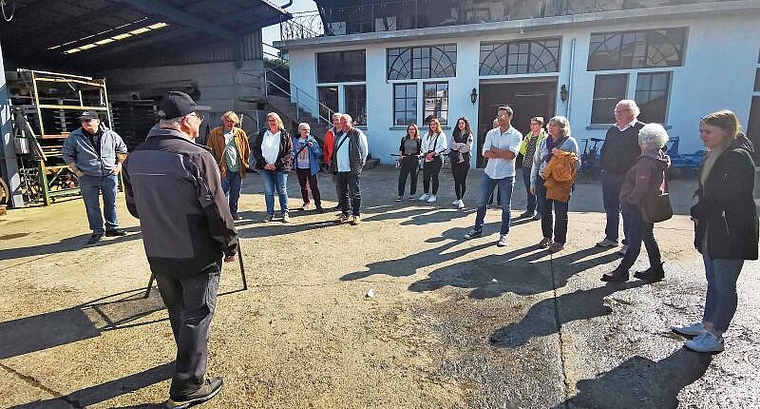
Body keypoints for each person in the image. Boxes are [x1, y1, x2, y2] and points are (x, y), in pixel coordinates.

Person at [123, 91, 237, 408]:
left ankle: (186, 360)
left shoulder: (134, 157)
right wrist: (229, 244)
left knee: (178, 312)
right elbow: (217, 210)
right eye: (197, 116)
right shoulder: (197, 157)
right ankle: (187, 387)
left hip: (158, 251)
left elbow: (134, 208)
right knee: (197, 315)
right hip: (196, 253)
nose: (200, 121)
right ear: (186, 121)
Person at [672, 110, 758, 353]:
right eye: (701, 131)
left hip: (731, 231)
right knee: (713, 281)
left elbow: (729, 196)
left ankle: (716, 335)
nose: (702, 136)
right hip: (713, 228)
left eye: (708, 132)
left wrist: (701, 207)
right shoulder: (715, 154)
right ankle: (707, 324)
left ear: (725, 131)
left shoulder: (738, 158)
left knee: (724, 284)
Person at [601, 123, 670, 282]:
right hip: (650, 205)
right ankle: (656, 268)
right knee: (648, 236)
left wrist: (629, 200)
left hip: (640, 206)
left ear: (644, 141)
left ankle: (622, 271)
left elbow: (641, 186)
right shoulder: (659, 157)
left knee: (634, 240)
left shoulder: (645, 162)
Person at [62, 111, 128, 244]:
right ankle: (97, 230)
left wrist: (119, 166)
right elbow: (67, 154)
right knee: (92, 205)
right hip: (88, 176)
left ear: (97, 121)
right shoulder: (74, 137)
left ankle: (112, 227)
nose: (86, 123)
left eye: (89, 120)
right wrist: (76, 171)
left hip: (109, 175)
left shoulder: (110, 135)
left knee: (111, 203)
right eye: (83, 121)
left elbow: (122, 149)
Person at [464, 106, 522, 247]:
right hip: (490, 173)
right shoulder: (491, 133)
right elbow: (485, 153)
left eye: (503, 115)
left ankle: (503, 234)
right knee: (482, 203)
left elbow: (511, 155)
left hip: (506, 175)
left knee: (505, 207)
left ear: (510, 117)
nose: (499, 118)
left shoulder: (516, 135)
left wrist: (495, 150)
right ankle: (478, 229)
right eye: (498, 115)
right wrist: (501, 152)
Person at [597, 100, 645, 255]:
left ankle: (629, 243)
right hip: (609, 175)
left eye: (621, 111)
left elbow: (655, 150)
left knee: (628, 211)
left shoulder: (642, 130)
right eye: (616, 111)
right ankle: (611, 238)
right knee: (610, 207)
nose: (617, 114)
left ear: (632, 112)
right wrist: (603, 170)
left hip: (629, 178)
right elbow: (604, 150)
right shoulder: (612, 130)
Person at [530, 116, 580, 253]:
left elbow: (577, 164)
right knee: (545, 210)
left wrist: (561, 154)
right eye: (550, 125)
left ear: (562, 128)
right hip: (543, 179)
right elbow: (536, 162)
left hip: (561, 182)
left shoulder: (570, 142)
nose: (551, 128)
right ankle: (547, 237)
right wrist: (533, 182)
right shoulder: (543, 142)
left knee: (560, 212)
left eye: (555, 125)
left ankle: (559, 241)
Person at [206, 111, 251, 220]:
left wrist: (245, 163)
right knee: (221, 193)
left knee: (235, 193)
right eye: (227, 121)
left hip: (238, 169)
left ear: (235, 122)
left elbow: (246, 149)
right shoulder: (214, 133)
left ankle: (233, 213)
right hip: (223, 169)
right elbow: (209, 151)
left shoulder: (240, 133)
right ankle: (223, 214)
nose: (229, 123)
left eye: (232, 121)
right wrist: (214, 167)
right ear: (223, 121)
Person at [252, 112, 293, 223]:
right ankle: (270, 213)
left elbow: (289, 152)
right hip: (265, 168)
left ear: (278, 121)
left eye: (274, 120)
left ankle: (285, 213)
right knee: (268, 191)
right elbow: (256, 150)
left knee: (282, 191)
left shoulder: (284, 135)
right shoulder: (262, 134)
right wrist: (263, 164)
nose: (272, 123)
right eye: (270, 121)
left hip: (280, 168)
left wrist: (277, 164)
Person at [332, 114, 368, 225]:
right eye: (341, 122)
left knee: (355, 193)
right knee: (342, 193)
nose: (342, 124)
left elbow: (364, 150)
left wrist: (361, 165)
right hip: (340, 169)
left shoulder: (357, 133)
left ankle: (356, 215)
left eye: (345, 122)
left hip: (352, 169)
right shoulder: (338, 135)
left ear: (351, 122)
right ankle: (345, 213)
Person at [518, 116, 547, 220]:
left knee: (539, 189)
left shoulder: (544, 137)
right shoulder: (528, 136)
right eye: (531, 124)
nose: (532, 126)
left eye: (535, 124)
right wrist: (524, 142)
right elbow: (521, 151)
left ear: (540, 125)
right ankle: (530, 210)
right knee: (529, 189)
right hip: (526, 165)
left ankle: (540, 211)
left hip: (538, 167)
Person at [293, 122, 324, 212]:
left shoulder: (312, 140)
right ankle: (306, 203)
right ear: (299, 131)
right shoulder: (295, 140)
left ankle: (318, 205)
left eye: (308, 130)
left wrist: (313, 147)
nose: (306, 131)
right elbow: (292, 151)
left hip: (311, 168)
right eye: (304, 129)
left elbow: (319, 153)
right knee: (303, 186)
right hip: (300, 167)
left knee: (314, 187)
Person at [418, 118, 448, 204]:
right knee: (426, 176)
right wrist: (426, 154)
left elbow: (443, 146)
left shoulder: (441, 134)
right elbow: (422, 145)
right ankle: (426, 193)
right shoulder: (426, 134)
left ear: (437, 125)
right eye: (431, 125)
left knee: (435, 177)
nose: (432, 126)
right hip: (427, 157)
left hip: (437, 157)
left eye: (434, 125)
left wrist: (433, 153)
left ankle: (433, 195)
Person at [449, 117, 474, 209]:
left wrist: (458, 147)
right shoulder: (454, 133)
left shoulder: (469, 134)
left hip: (464, 161)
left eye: (462, 123)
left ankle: (460, 198)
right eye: (459, 123)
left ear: (465, 124)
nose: (460, 125)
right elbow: (451, 145)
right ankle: (459, 199)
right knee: (456, 180)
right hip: (455, 160)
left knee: (462, 180)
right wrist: (460, 145)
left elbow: (468, 148)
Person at [397, 123, 422, 202]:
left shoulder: (419, 139)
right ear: (407, 130)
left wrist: (420, 155)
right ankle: (400, 195)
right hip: (406, 159)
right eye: (410, 129)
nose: (411, 131)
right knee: (402, 178)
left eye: (413, 129)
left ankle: (412, 194)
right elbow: (401, 148)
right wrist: (401, 156)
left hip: (415, 160)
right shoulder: (404, 139)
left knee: (414, 178)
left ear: (415, 130)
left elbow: (422, 150)